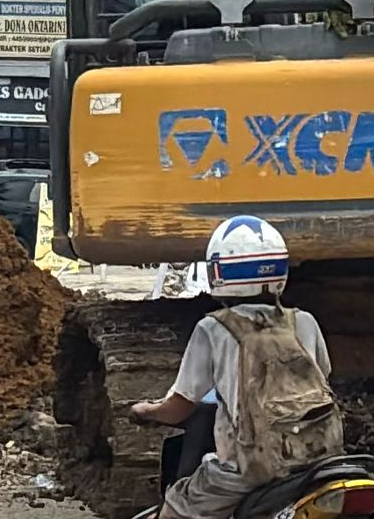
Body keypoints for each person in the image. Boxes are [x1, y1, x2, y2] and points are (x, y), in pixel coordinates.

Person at [130, 216, 337, 519]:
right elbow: (323, 377)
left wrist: (144, 411)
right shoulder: (303, 321)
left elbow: (179, 408)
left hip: (247, 469)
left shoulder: (213, 329)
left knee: (175, 509)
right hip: (318, 459)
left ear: (219, 271)